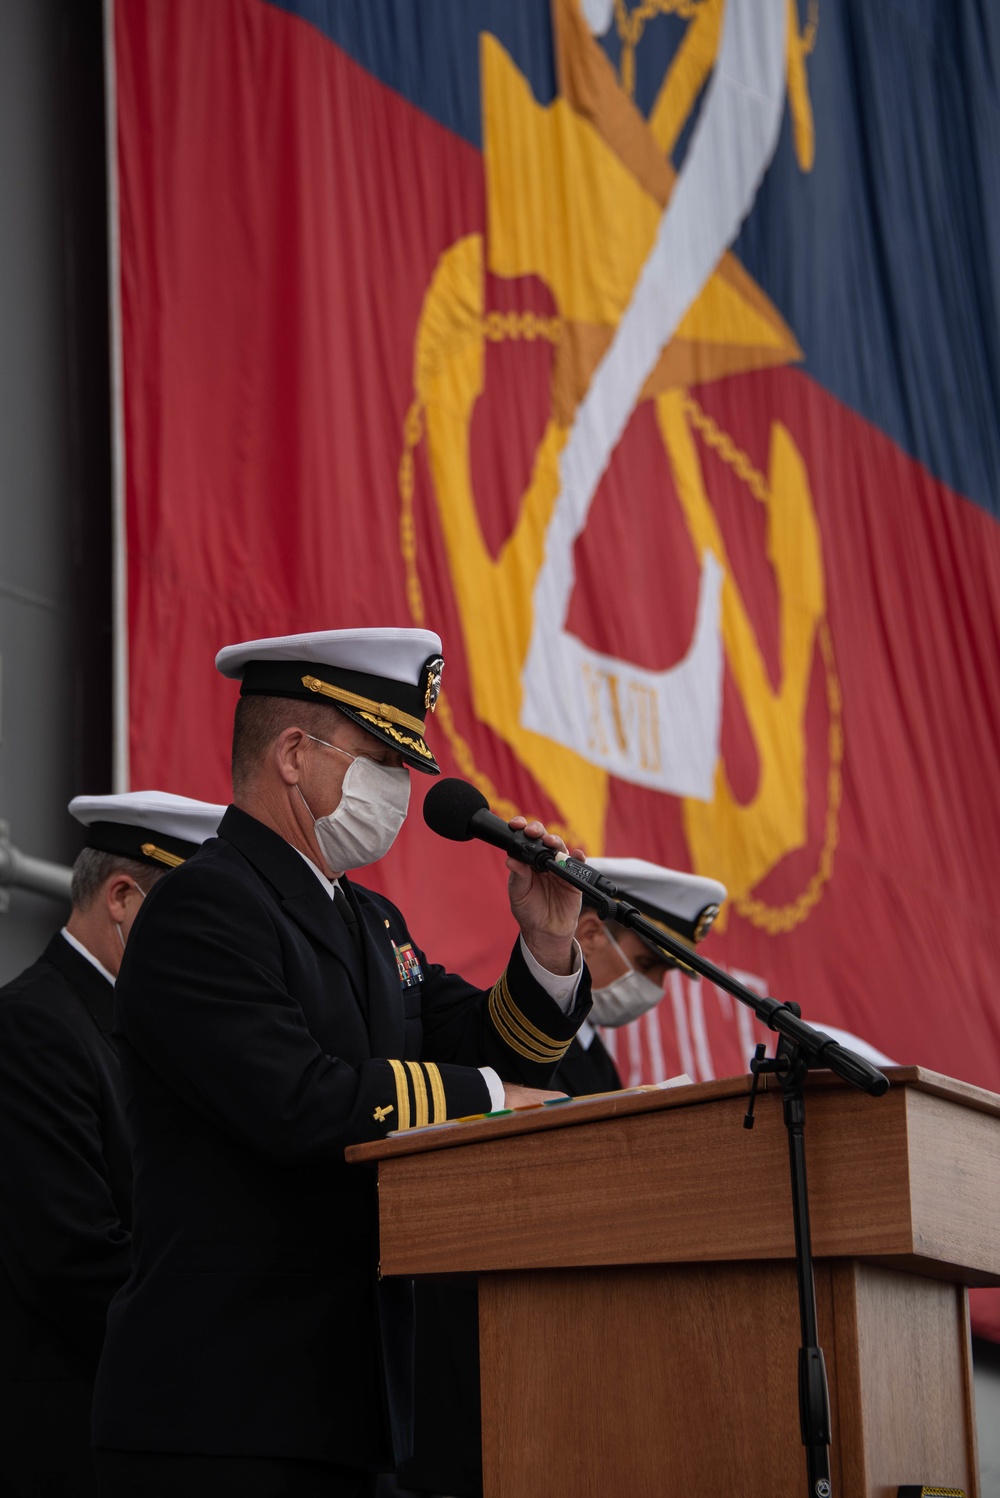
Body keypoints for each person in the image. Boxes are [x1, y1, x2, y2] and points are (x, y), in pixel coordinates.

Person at [91, 627, 593, 1498]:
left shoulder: (371, 922)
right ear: (294, 753)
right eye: (381, 760)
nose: (399, 791)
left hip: (348, 1409)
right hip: (224, 1413)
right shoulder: (202, 909)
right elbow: (298, 1103)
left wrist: (547, 947)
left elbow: (480, 1043)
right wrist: (487, 1099)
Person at [393, 858, 727, 1498]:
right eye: (652, 965)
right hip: (481, 1351)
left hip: (563, 1355)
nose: (658, 987)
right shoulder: (512, 1042)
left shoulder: (601, 1067)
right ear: (593, 936)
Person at [0, 792, 225, 1498]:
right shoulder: (34, 1026)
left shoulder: (150, 1031)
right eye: (197, 928)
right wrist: (223, 1348)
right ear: (123, 899)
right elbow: (72, 1255)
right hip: (75, 1438)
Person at [554, 857, 727, 1096]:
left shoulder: (593, 1054)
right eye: (645, 964)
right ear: (590, 934)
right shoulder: (522, 1036)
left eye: (664, 974)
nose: (655, 987)